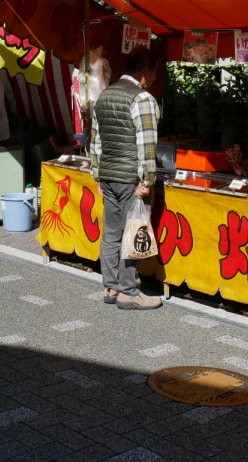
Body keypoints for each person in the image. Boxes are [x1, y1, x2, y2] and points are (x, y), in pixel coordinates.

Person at [91, 51, 162, 310]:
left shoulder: (104, 95)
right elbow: (146, 145)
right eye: (154, 72)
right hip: (130, 179)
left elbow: (96, 141)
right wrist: (147, 180)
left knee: (111, 231)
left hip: (108, 176)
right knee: (134, 232)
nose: (155, 78)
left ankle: (110, 286)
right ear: (144, 72)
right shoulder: (143, 99)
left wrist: (97, 174)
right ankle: (129, 291)